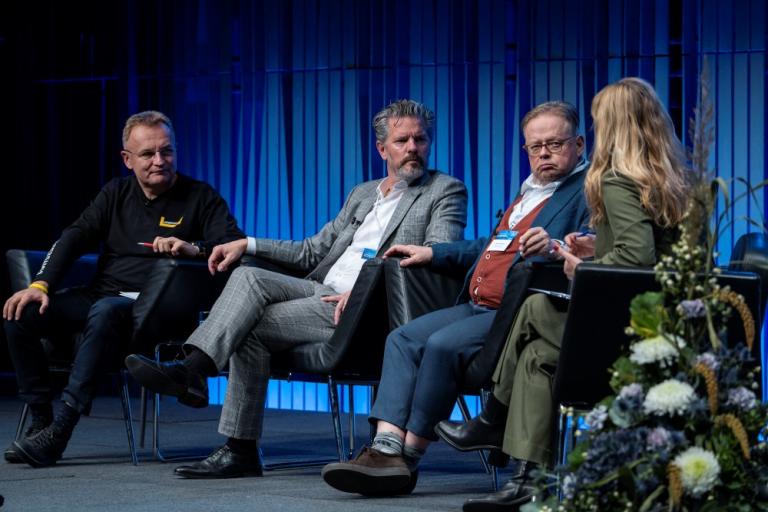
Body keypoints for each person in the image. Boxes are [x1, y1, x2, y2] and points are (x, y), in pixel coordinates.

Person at [125, 99, 468, 479]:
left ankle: (224, 423)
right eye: (402, 140)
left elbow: (436, 254)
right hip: (319, 291)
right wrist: (248, 244)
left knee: (248, 328)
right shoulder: (364, 193)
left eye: (420, 139)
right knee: (248, 275)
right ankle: (197, 376)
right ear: (382, 148)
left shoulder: (444, 190)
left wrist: (366, 290)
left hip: (364, 310)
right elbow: (312, 251)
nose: (413, 149)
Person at [436, 77, 691, 511]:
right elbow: (657, 250)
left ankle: (492, 419)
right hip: (669, 320)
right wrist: (597, 245)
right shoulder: (673, 177)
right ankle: (526, 481)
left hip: (630, 331)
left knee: (535, 306)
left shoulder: (615, 178)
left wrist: (583, 266)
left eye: (596, 122)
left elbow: (636, 258)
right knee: (536, 357)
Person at [320, 101, 591, 496]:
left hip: (516, 312)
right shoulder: (528, 192)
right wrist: (433, 252)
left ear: (579, 144)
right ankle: (385, 447)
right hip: (476, 302)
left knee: (441, 344)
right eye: (535, 147)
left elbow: (588, 243)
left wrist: (555, 247)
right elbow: (491, 246)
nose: (544, 154)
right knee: (402, 338)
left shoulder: (586, 190)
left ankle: (406, 461)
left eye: (554, 144)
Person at [3, 110, 245, 468]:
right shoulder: (115, 192)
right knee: (20, 312)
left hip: (159, 311)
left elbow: (233, 248)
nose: (159, 161)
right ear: (127, 159)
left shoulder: (200, 196)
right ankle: (40, 417)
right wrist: (40, 284)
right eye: (148, 154)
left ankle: (61, 428)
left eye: (167, 151)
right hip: (104, 293)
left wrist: (195, 249)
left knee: (105, 310)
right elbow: (74, 237)